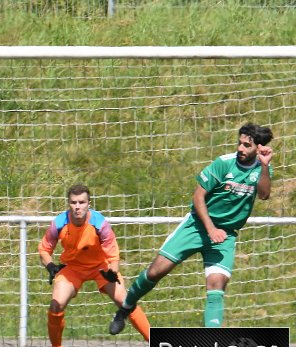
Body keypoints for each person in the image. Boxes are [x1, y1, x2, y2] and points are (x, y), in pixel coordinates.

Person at [109, 123, 274, 335]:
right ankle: (125, 308)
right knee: (155, 272)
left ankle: (213, 344)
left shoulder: (261, 168)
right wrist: (210, 228)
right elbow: (198, 196)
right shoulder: (224, 163)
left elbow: (264, 194)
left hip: (224, 235)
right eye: (239, 143)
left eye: (246, 145)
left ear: (258, 148)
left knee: (216, 286)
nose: (240, 148)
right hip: (196, 226)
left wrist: (265, 166)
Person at [38, 184, 150, 347]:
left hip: (100, 267)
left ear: (89, 203)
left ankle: (157, 346)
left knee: (125, 301)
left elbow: (113, 257)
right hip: (72, 268)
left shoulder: (100, 223)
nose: (77, 206)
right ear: (68, 203)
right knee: (56, 305)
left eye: (81, 202)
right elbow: (44, 249)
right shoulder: (59, 223)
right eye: (73, 202)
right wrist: (50, 266)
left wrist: (112, 272)